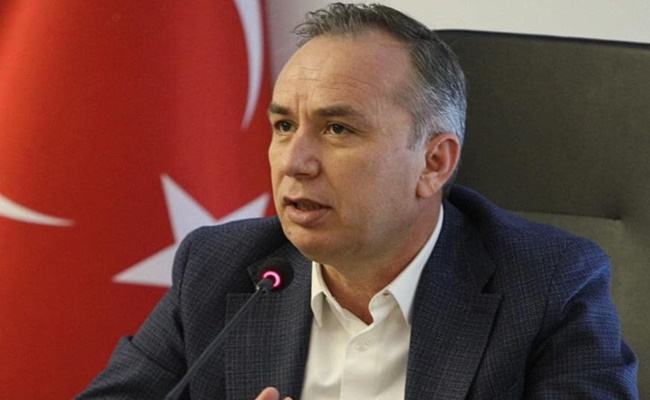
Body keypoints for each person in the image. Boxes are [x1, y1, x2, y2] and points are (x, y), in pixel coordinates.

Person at [77, 3, 638, 399]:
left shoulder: (546, 285)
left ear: (434, 162)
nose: (295, 161)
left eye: (338, 129)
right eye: (283, 126)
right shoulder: (217, 269)